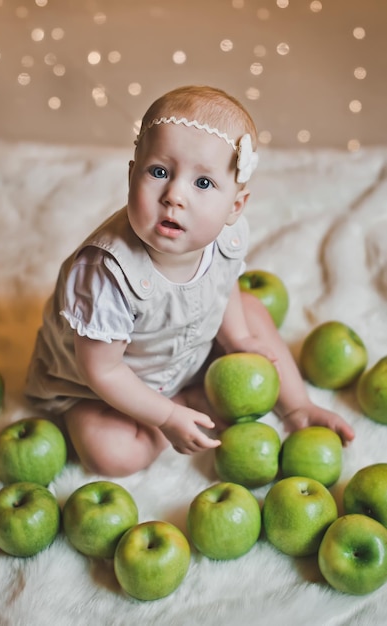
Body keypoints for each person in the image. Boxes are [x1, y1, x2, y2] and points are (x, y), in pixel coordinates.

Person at [25, 85, 354, 477]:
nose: (174, 196)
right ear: (132, 175)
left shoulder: (226, 236)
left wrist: (239, 340)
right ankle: (187, 402)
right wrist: (166, 415)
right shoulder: (106, 273)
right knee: (111, 455)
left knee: (250, 311)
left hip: (187, 345)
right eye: (159, 172)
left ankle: (299, 408)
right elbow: (103, 371)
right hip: (108, 385)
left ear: (235, 206)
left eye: (202, 183)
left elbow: (224, 283)